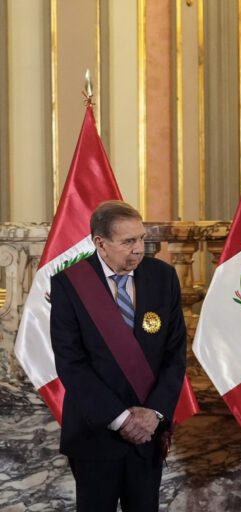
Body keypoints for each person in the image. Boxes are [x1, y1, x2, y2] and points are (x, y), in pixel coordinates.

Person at [50, 200, 187, 511]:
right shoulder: (70, 284)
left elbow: (175, 354)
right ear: (100, 243)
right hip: (96, 434)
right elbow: (71, 364)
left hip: (149, 434)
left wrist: (154, 414)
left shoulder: (162, 277)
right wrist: (122, 419)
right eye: (128, 242)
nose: (138, 249)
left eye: (141, 238)